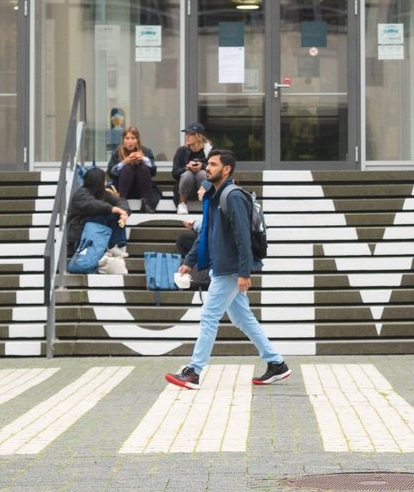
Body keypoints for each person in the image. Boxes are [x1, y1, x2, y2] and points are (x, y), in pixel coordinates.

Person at [165, 150, 289, 389]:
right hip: (223, 266)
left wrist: (244, 272)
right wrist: (189, 261)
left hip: (231, 269)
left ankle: (194, 371)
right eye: (207, 164)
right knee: (243, 318)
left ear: (227, 169)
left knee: (209, 316)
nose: (207, 168)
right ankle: (276, 363)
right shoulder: (214, 197)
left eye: (212, 164)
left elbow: (243, 236)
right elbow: (207, 234)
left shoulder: (232, 197)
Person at [65, 167, 129, 257]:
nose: (106, 182)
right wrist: (114, 209)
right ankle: (103, 248)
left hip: (93, 230)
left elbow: (120, 201)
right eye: (104, 179)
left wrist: (123, 213)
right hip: (79, 233)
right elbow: (93, 205)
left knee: (116, 215)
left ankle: (116, 245)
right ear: (99, 181)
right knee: (100, 215)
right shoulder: (80, 194)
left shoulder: (102, 193)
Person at [106, 125, 160, 212]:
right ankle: (122, 203)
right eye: (127, 138)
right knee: (127, 168)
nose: (130, 141)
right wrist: (124, 162)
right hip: (123, 189)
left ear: (137, 140)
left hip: (142, 190)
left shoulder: (145, 151)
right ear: (123, 140)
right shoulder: (117, 152)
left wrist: (143, 159)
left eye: (133, 138)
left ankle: (146, 204)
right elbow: (110, 172)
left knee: (142, 168)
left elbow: (153, 171)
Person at [171, 122, 212, 215]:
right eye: (186, 134)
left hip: (202, 187)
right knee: (188, 174)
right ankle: (182, 203)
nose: (187, 136)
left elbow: (216, 170)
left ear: (199, 137)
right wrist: (186, 168)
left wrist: (202, 166)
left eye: (191, 134)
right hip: (185, 190)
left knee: (201, 173)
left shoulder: (209, 151)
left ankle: (206, 202)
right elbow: (174, 173)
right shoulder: (181, 151)